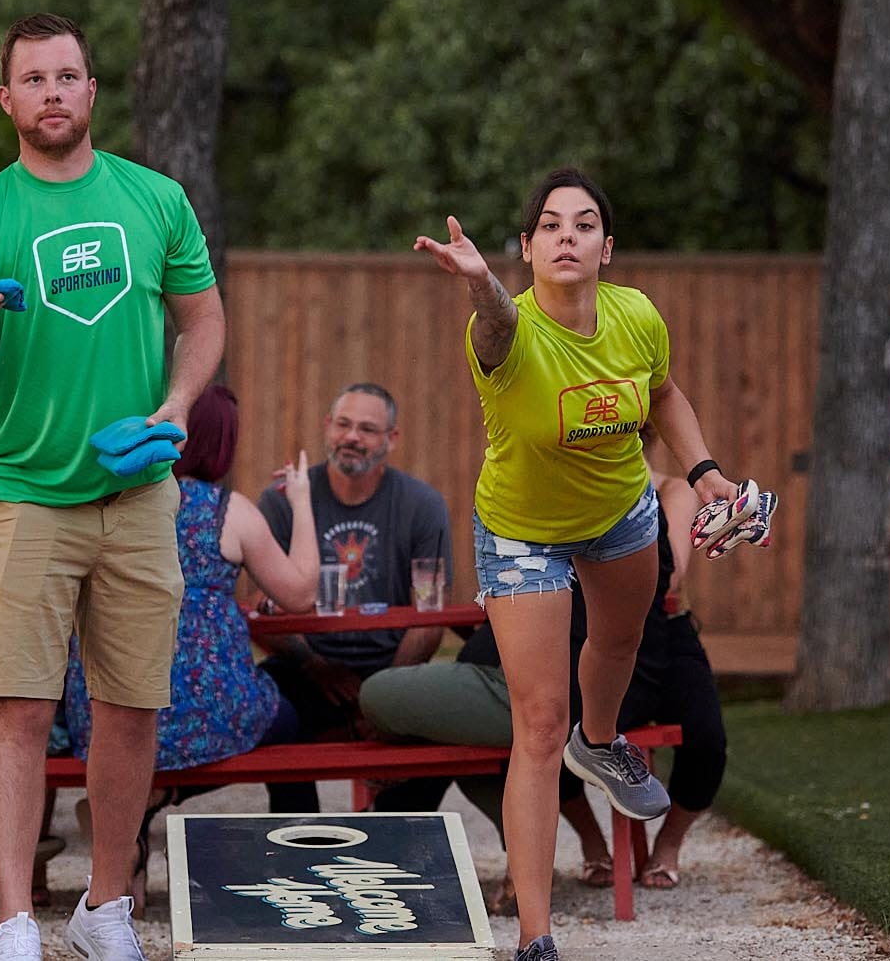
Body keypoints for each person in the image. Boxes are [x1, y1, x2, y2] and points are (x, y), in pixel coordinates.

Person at [0, 11, 225, 961]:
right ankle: (13, 922)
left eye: (68, 76)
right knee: (19, 704)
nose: (53, 93)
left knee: (134, 707)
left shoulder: (156, 199)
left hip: (139, 492)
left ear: (93, 91)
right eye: (35, 80)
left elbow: (205, 321)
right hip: (20, 492)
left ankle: (104, 907)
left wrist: (177, 405)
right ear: (7, 98)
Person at [411, 166, 761, 961]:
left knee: (620, 642)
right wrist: (480, 286)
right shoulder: (502, 330)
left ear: (609, 247)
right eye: (552, 225)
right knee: (537, 725)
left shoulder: (636, 315)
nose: (568, 235)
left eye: (585, 223)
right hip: (521, 531)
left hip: (619, 513)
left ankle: (599, 741)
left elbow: (665, 393)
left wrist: (706, 473)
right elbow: (497, 321)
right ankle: (536, 933)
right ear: (529, 247)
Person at [359, 466, 727, 907]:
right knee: (463, 742)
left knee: (383, 697)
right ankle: (513, 871)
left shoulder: (625, 513)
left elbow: (655, 587)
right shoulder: (588, 506)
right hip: (551, 675)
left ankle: (413, 847)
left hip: (552, 683)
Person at [62, 383, 316, 906]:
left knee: (142, 729)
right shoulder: (228, 511)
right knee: (300, 721)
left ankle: (135, 834)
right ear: (220, 443)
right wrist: (301, 500)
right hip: (210, 713)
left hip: (102, 711)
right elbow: (300, 594)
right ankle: (301, 868)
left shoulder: (110, 498)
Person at [252, 381, 452, 813]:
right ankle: (300, 840)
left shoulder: (423, 505)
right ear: (327, 427)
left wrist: (383, 695)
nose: (352, 438)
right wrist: (316, 667)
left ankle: (389, 831)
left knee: (451, 726)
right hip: (308, 667)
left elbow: (430, 615)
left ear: (391, 439)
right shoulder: (284, 499)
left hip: (394, 667)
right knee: (265, 705)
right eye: (343, 424)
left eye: (367, 429)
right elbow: (260, 608)